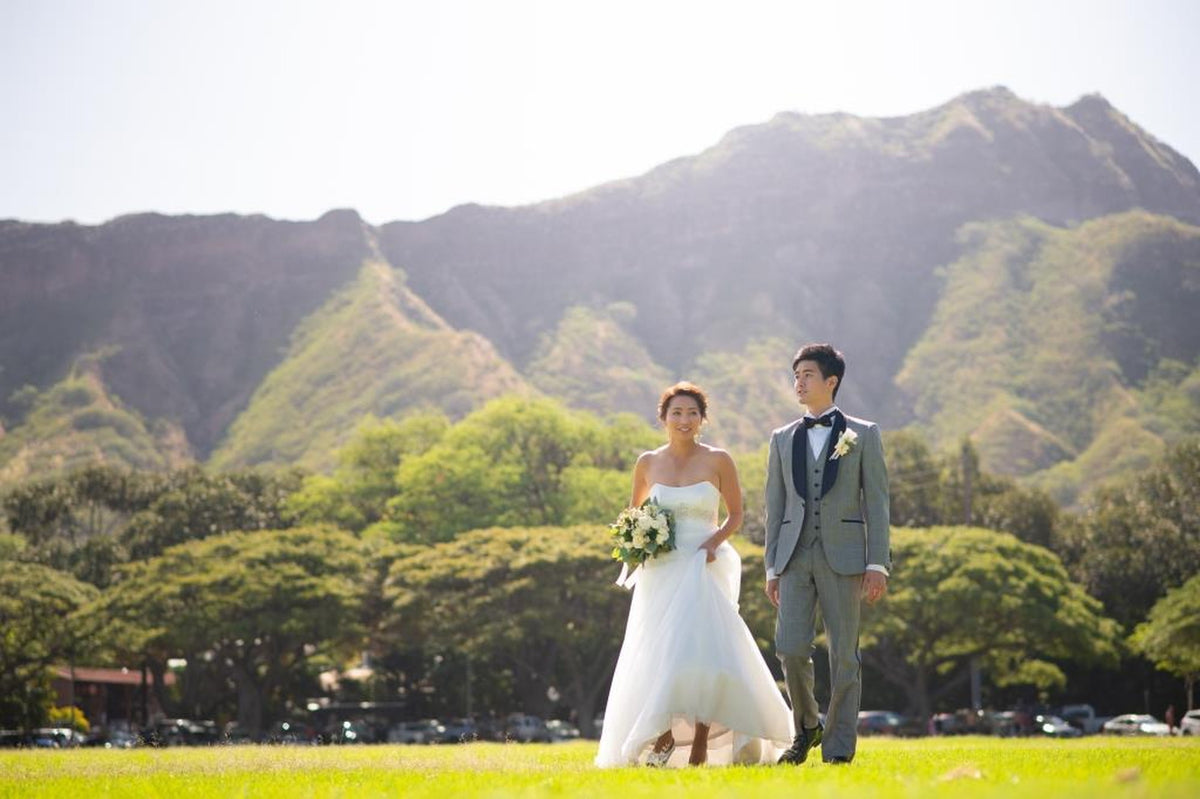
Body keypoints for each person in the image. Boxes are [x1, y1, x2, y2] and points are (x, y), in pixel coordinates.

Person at [595, 382, 793, 767]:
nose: (684, 420)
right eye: (676, 413)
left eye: (692, 414)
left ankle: (700, 743)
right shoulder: (647, 462)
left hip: (704, 564)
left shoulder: (719, 459)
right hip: (662, 570)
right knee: (662, 654)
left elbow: (736, 514)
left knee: (701, 653)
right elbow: (632, 516)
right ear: (663, 418)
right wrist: (639, 541)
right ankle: (665, 736)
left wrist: (713, 542)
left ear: (702, 419)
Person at [764, 343, 890, 765]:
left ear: (831, 381)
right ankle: (807, 728)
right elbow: (775, 508)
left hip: (847, 559)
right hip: (794, 558)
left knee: (844, 656)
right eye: (795, 375)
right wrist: (771, 567)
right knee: (790, 647)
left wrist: (877, 563)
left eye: (807, 375)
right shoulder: (781, 439)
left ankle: (837, 750)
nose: (798, 382)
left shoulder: (864, 434)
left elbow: (877, 502)